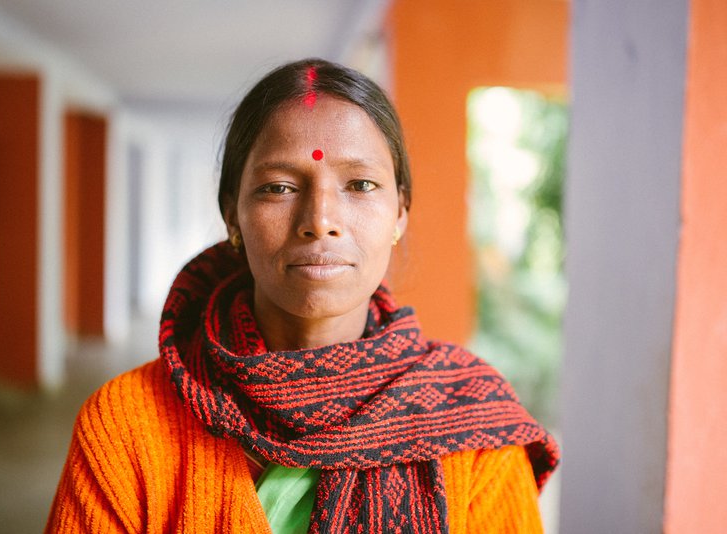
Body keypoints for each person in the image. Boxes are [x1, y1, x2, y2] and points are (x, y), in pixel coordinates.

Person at [45, 58, 559, 534]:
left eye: (359, 184)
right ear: (232, 214)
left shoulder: (472, 430)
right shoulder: (126, 427)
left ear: (400, 212)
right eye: (280, 188)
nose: (320, 222)